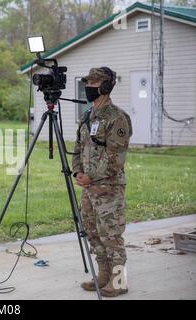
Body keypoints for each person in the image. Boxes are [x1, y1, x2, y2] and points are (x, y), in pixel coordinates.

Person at [72, 67, 132, 297]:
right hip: (88, 188)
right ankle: (104, 275)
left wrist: (92, 176)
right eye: (88, 81)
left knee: (111, 235)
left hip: (109, 188)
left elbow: (115, 158)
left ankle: (119, 282)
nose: (89, 86)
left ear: (106, 86)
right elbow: (77, 149)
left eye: (94, 82)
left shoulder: (117, 118)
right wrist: (78, 173)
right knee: (93, 232)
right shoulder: (87, 116)